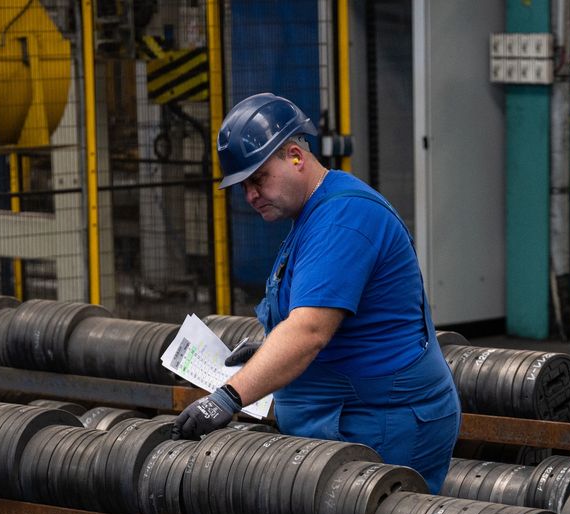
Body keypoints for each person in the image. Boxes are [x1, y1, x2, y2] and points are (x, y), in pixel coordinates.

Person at [171, 92, 459, 493]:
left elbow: (309, 331)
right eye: (243, 187)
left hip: (385, 425)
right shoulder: (310, 214)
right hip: (349, 414)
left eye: (258, 179)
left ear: (294, 156)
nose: (250, 196)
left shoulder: (342, 219)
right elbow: (310, 316)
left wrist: (227, 399)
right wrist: (271, 349)